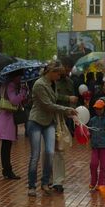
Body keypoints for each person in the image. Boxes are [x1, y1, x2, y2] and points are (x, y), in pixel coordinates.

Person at [26, 61, 76, 197]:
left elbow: (55, 99)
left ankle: (45, 182)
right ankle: (31, 186)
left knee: (50, 152)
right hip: (36, 121)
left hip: (49, 121)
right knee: (35, 155)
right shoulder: (39, 84)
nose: (59, 77)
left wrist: (67, 105)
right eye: (58, 74)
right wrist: (66, 109)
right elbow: (47, 105)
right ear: (51, 72)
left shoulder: (52, 83)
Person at [52, 62, 78, 193]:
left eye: (69, 70)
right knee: (48, 150)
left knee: (60, 149)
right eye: (66, 69)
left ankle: (58, 181)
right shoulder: (52, 82)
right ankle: (49, 177)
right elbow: (53, 98)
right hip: (51, 116)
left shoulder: (69, 82)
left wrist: (72, 110)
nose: (67, 72)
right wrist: (68, 98)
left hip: (62, 119)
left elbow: (72, 100)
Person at [0, 70, 26, 179]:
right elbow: (13, 100)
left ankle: (6, 170)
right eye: (19, 77)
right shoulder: (11, 85)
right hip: (7, 119)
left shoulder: (6, 84)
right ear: (15, 76)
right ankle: (7, 170)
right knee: (6, 146)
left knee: (6, 146)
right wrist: (22, 92)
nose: (20, 79)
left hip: (5, 118)